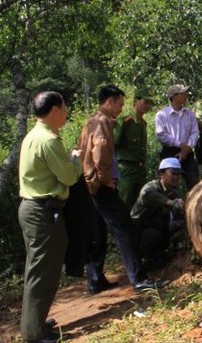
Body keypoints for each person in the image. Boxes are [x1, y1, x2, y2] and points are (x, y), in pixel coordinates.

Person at [78, 85, 163, 295]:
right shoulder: (104, 121)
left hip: (88, 184)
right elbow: (101, 151)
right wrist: (106, 179)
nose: (120, 109)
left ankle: (95, 279)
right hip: (101, 185)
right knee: (125, 228)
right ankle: (139, 279)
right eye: (120, 104)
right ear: (110, 101)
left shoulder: (91, 120)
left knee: (97, 231)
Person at [18, 91, 83, 343]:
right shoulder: (48, 140)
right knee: (42, 272)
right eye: (65, 107)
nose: (66, 112)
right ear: (55, 109)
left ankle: (35, 322)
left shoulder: (34, 136)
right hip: (42, 211)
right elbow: (68, 177)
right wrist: (75, 161)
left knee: (39, 270)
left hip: (35, 209)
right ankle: (34, 334)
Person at [130, 157, 185, 268]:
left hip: (156, 226)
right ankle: (137, 262)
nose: (176, 177)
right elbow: (148, 195)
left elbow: (181, 211)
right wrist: (170, 202)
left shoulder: (173, 193)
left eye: (178, 174)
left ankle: (154, 257)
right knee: (152, 235)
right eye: (173, 173)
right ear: (161, 174)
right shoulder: (151, 187)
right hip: (138, 228)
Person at [155, 84, 200, 190]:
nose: (186, 95)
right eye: (183, 93)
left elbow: (195, 132)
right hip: (169, 153)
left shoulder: (189, 114)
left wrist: (186, 149)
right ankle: (169, 205)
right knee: (168, 184)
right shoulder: (162, 115)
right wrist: (179, 144)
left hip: (188, 153)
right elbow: (161, 135)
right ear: (174, 96)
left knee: (194, 182)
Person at [115, 88, 154, 207]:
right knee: (124, 203)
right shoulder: (125, 121)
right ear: (136, 101)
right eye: (145, 102)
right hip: (126, 169)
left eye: (150, 103)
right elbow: (112, 145)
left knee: (140, 205)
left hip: (140, 170)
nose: (148, 106)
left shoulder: (143, 123)